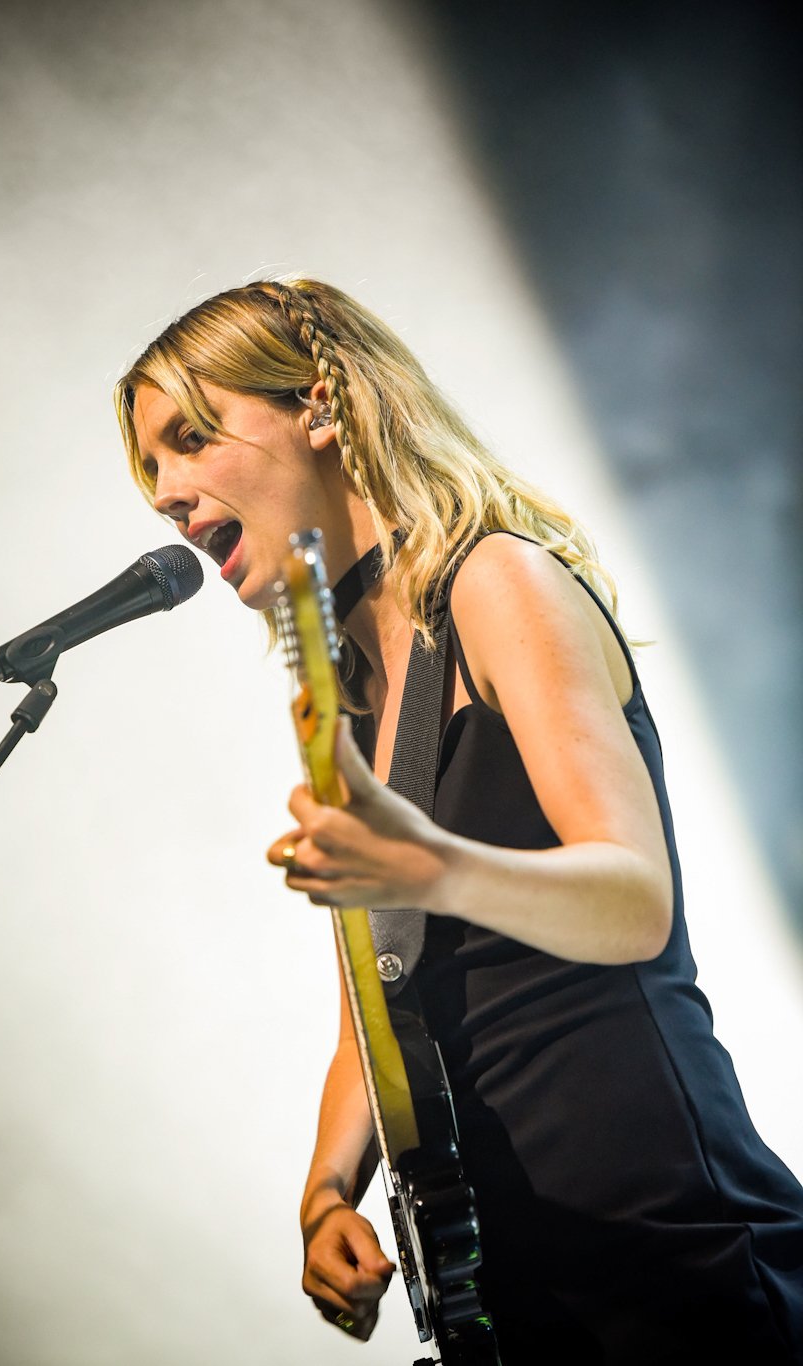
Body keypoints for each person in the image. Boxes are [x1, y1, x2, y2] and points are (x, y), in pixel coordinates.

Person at [116, 278, 803, 1365]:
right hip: (528, 1286)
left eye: (190, 439)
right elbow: (380, 1012)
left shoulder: (499, 581)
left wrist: (432, 864)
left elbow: (635, 898)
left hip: (672, 1247)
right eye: (151, 468)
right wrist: (324, 1194)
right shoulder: (347, 691)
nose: (164, 491)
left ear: (322, 407)